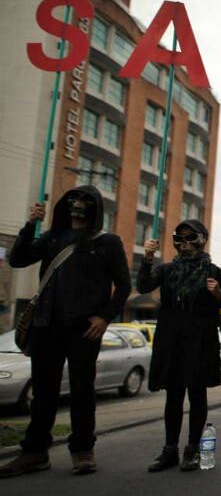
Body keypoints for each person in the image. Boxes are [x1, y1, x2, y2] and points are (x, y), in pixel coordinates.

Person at [0, 186, 131, 477]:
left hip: (84, 328)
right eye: (73, 199)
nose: (78, 205)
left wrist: (105, 317)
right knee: (44, 392)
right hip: (46, 324)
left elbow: (124, 285)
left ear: (95, 207)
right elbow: (17, 260)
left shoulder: (107, 242)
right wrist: (30, 225)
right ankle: (34, 452)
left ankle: (83, 450)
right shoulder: (52, 237)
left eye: (85, 200)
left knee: (83, 390)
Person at [138, 220, 221, 472]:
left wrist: (217, 294)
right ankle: (170, 450)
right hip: (171, 337)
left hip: (200, 339)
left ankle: (192, 449)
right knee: (174, 394)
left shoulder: (213, 271)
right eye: (179, 238)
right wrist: (147, 258)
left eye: (191, 238)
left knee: (197, 394)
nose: (184, 244)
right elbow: (143, 286)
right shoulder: (167, 270)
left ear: (203, 239)